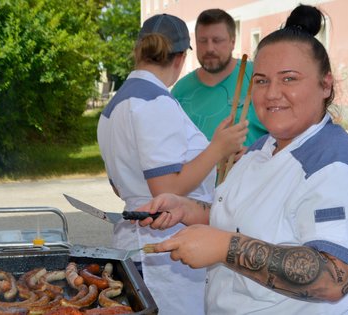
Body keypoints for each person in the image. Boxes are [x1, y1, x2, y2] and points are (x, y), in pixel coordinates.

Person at [136, 5, 348, 314]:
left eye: (289, 79)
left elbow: (333, 278)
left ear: (325, 84)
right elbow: (245, 219)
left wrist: (224, 247)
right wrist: (186, 208)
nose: (272, 94)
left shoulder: (339, 166)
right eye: (262, 80)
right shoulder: (262, 148)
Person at [96, 13, 248, 315]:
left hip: (140, 245)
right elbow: (165, 189)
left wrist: (215, 161)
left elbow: (120, 185)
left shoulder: (113, 106)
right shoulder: (155, 102)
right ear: (180, 57)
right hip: (165, 253)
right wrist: (217, 148)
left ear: (139, 50)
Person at [172, 8, 267, 145]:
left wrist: (255, 152)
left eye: (217, 40)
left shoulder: (257, 76)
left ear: (232, 42)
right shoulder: (180, 90)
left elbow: (286, 131)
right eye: (203, 41)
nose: (209, 48)